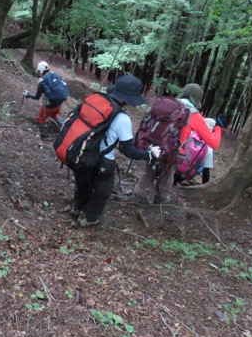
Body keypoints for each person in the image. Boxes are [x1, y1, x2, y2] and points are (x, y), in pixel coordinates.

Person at [69, 75, 161, 228]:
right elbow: (128, 151)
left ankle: (77, 208)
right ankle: (88, 218)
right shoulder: (122, 119)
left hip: (82, 152)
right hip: (102, 161)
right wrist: (150, 154)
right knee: (102, 192)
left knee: (83, 183)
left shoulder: (94, 103)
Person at [133, 83, 222, 204]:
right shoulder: (194, 115)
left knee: (148, 172)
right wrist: (218, 128)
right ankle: (161, 199)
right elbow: (214, 143)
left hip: (152, 145)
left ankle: (139, 194)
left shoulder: (166, 105)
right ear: (196, 99)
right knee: (167, 175)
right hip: (173, 152)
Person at [23, 61, 68, 139]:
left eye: (39, 72)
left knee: (40, 118)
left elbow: (37, 97)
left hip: (48, 106)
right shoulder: (55, 76)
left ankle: (44, 135)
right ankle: (65, 128)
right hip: (59, 104)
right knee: (54, 114)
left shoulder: (42, 83)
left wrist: (28, 95)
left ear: (41, 71)